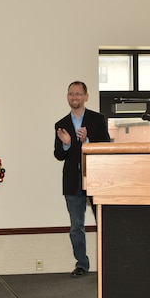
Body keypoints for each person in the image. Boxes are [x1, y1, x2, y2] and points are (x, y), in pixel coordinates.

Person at [53, 81, 110, 278]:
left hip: (96, 180)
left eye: (78, 94)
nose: (74, 97)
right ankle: (82, 264)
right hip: (72, 182)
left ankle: (108, 264)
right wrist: (67, 145)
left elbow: (105, 147)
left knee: (104, 223)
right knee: (76, 226)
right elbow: (59, 155)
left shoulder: (98, 119)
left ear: (86, 96)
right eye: (70, 94)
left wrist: (87, 140)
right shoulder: (60, 124)